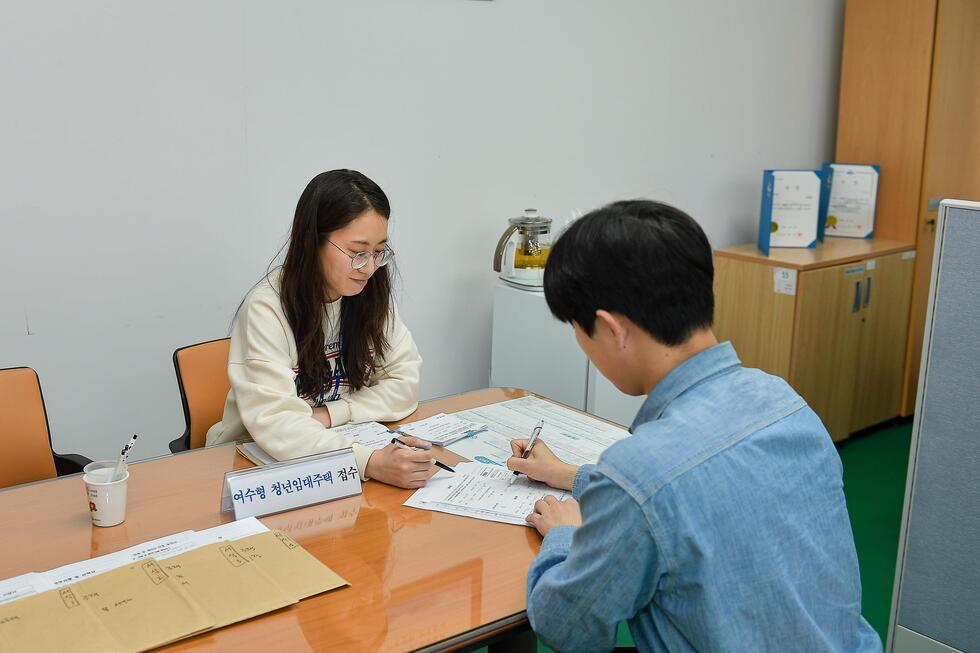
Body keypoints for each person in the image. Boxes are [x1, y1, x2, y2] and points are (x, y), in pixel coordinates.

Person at [506, 200, 882, 652]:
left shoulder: (640, 472)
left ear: (612, 329)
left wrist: (567, 535)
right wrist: (570, 475)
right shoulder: (785, 403)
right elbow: (695, 490)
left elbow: (567, 628)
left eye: (576, 328)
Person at [206, 169, 435, 489]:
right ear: (313, 241)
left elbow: (404, 383)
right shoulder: (268, 308)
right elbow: (278, 424)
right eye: (357, 252)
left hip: (333, 449)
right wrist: (369, 462)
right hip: (249, 467)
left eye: (378, 251)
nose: (369, 267)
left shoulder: (369, 293)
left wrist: (330, 414)